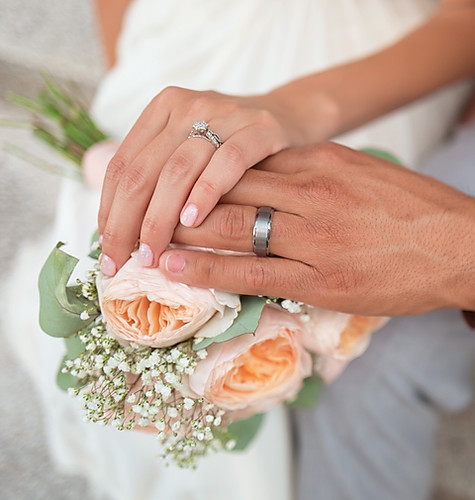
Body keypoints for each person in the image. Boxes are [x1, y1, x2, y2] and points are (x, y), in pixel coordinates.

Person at [3, 1, 475, 499]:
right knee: (111, 235)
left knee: (257, 262)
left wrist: (300, 107)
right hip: (180, 46)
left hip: (370, 65)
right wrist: (135, 71)